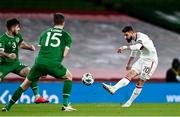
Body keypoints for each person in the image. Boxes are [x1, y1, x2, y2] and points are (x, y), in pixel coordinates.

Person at [2, 13, 76, 112]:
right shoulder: (66, 36)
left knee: (25, 84)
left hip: (39, 63)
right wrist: (53, 65)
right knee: (69, 77)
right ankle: (65, 105)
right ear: (64, 22)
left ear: (53, 22)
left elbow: (42, 50)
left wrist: (43, 69)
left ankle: (7, 107)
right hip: (53, 63)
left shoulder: (44, 33)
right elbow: (63, 54)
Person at [102, 26, 158, 107]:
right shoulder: (133, 40)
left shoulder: (142, 37)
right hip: (142, 59)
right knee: (130, 74)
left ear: (132, 32)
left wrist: (125, 47)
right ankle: (114, 88)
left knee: (140, 81)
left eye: (126, 35)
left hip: (151, 61)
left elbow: (137, 47)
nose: (125, 37)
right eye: (124, 35)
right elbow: (134, 52)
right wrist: (128, 64)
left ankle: (129, 103)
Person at [0, 18, 48, 104]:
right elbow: (0, 52)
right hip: (4, 65)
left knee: (31, 73)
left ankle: (37, 97)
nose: (19, 29)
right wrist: (8, 55)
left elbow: (21, 44)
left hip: (16, 64)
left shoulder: (17, 36)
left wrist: (29, 47)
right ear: (12, 28)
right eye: (18, 27)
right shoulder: (3, 39)